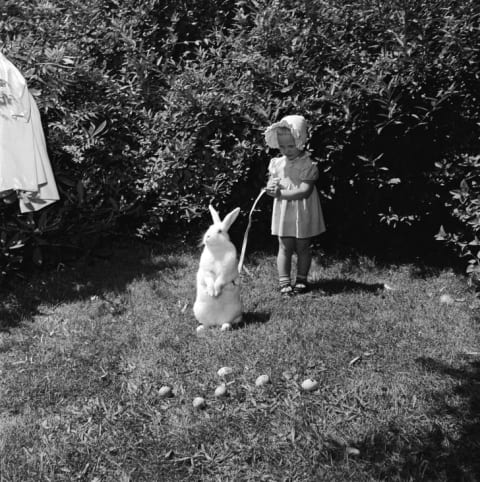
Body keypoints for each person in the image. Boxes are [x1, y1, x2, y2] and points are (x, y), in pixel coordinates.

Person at [264, 115, 326, 295]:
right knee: (284, 245)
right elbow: (272, 182)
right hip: (284, 211)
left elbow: (304, 191)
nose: (286, 150)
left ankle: (301, 279)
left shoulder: (308, 164)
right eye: (282, 146)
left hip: (302, 209)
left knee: (303, 246)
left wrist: (280, 194)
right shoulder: (277, 164)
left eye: (291, 146)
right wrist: (270, 187)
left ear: (301, 141)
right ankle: (284, 281)